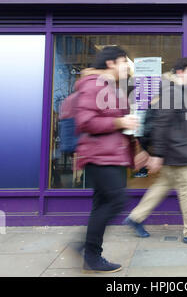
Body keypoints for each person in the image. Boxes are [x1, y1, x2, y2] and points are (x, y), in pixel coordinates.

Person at [124, 57, 187, 246]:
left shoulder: (181, 91)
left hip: (175, 151)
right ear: (180, 73)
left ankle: (136, 218)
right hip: (176, 152)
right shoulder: (172, 92)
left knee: (161, 186)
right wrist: (156, 154)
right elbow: (161, 124)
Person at [74, 46, 139, 273]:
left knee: (103, 204)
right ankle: (88, 250)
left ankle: (88, 252)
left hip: (111, 155)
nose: (127, 68)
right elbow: (85, 122)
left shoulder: (110, 87)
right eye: (124, 62)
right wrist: (120, 123)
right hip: (100, 156)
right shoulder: (94, 84)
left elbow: (115, 119)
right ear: (111, 63)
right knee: (115, 202)